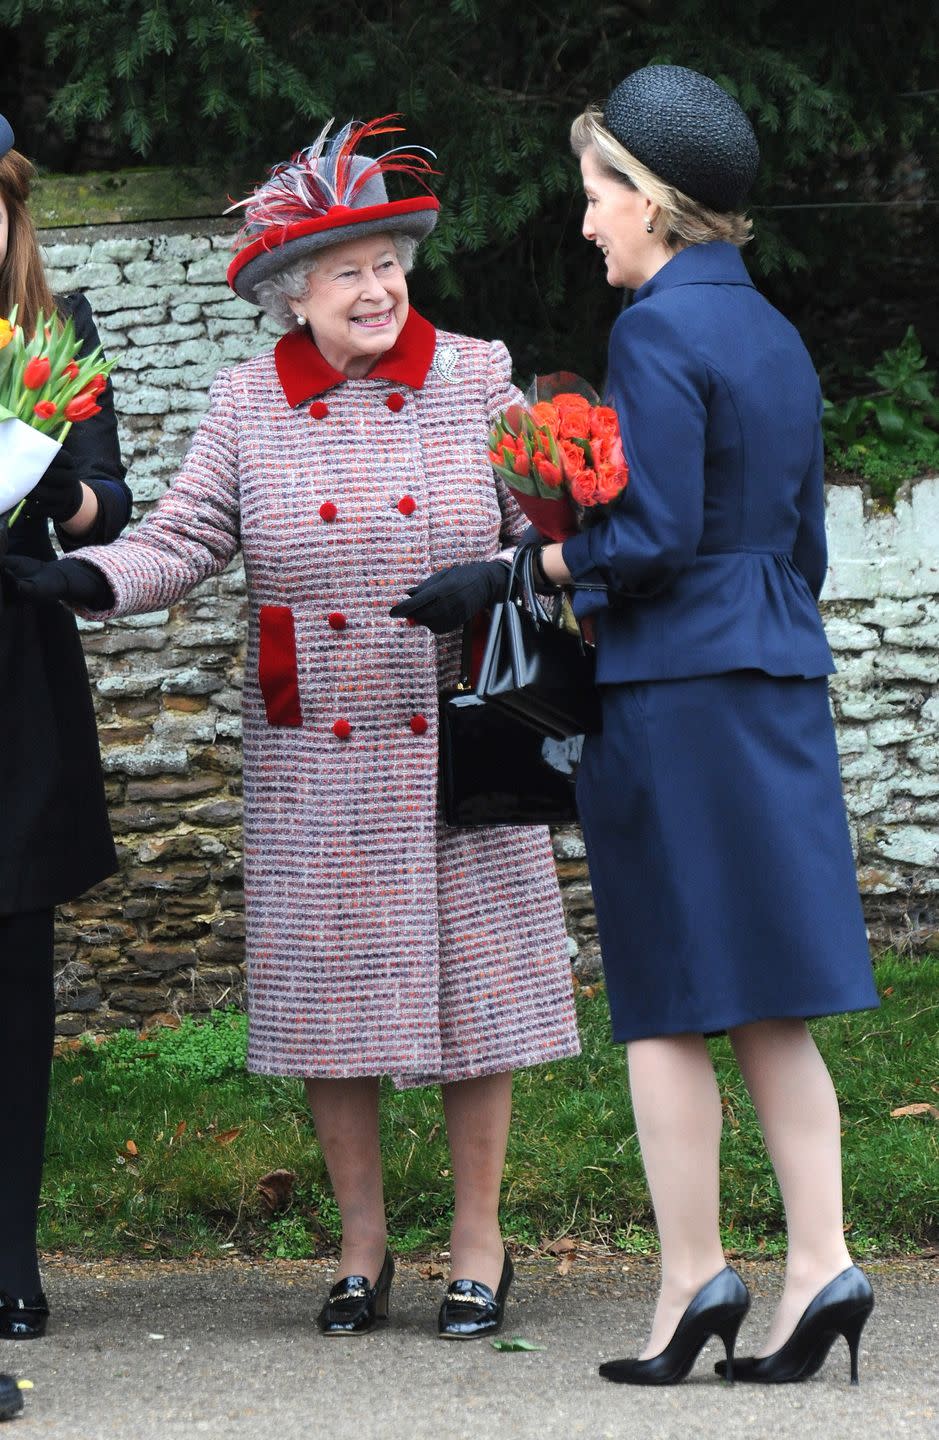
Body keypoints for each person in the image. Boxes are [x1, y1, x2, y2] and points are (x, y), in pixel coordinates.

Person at [2, 117, 580, 1340]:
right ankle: (361, 1249)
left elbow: (552, 523)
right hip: (319, 743)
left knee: (476, 993)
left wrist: (502, 571)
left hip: (460, 730)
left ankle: (479, 1243)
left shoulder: (479, 373)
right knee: (336, 1002)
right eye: (344, 270)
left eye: (388, 261)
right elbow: (185, 539)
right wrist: (89, 579)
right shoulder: (246, 405)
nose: (376, 289)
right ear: (288, 293)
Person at [531, 66, 880, 1385]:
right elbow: (797, 544)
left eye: (593, 197)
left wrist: (538, 566)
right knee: (771, 999)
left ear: (652, 204)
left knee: (669, 999)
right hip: (774, 677)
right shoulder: (773, 334)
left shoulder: (655, 335)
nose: (583, 225)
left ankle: (691, 1281)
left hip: (675, 691)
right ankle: (819, 1263)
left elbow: (656, 534)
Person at [0, 113, 131, 1340]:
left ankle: (11, 1250)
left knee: (15, 982)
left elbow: (112, 504)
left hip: (13, 671)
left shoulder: (54, 333)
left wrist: (56, 486)